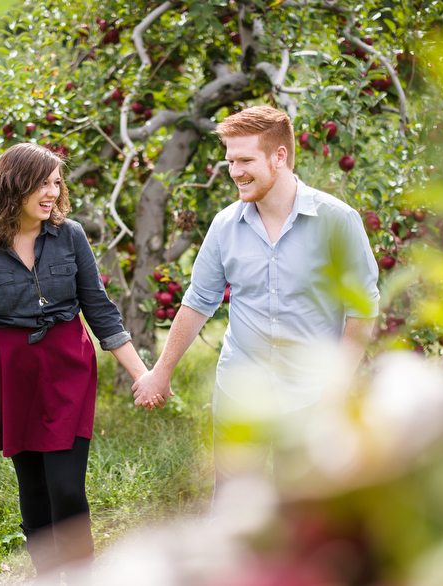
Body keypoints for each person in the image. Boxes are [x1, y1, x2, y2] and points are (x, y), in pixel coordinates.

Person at [132, 105, 380, 488]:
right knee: (234, 502)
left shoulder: (337, 220)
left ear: (279, 157)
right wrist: (161, 371)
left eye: (245, 160)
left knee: (302, 504)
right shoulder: (225, 225)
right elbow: (198, 301)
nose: (235, 172)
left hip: (312, 395)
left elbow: (361, 310)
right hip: (240, 391)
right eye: (230, 161)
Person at [0, 143, 162, 581]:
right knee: (33, 490)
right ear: (14, 186)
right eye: (41, 184)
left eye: (55, 183)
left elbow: (100, 310)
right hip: (13, 378)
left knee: (66, 489)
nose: (52, 193)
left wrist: (143, 375)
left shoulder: (71, 236)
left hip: (68, 370)